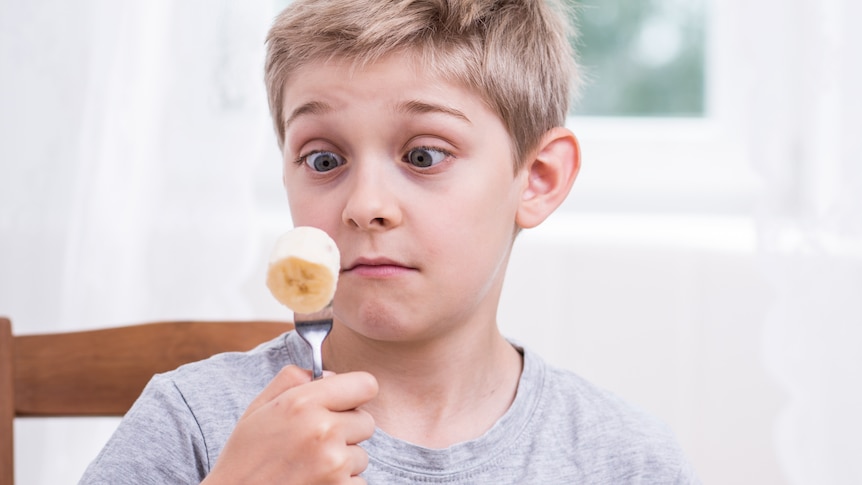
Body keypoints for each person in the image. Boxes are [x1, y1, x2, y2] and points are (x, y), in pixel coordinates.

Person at [80, 0, 700, 483]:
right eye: (323, 160)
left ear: (536, 179)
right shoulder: (191, 424)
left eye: (424, 154)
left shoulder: (626, 460)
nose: (365, 206)